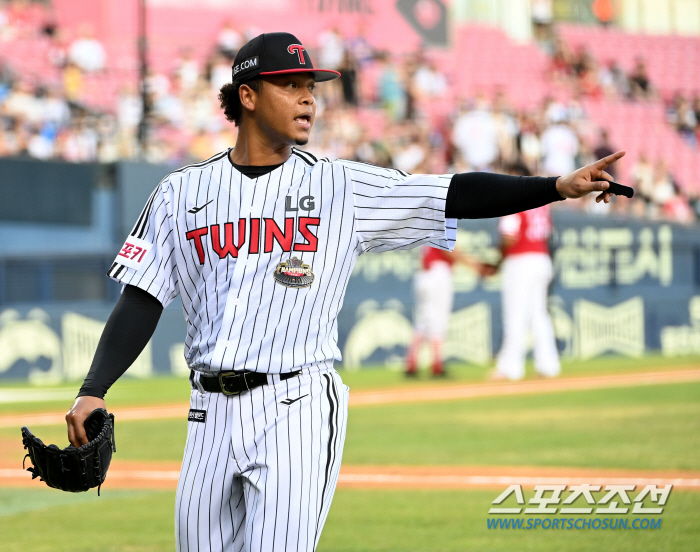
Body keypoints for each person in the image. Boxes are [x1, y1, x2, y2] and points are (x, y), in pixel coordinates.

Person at [64, 32, 625, 552]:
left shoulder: (340, 186)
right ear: (248, 96)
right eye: (292, 86)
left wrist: (555, 187)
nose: (309, 99)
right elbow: (143, 296)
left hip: (297, 404)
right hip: (207, 411)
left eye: (312, 88)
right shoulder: (179, 193)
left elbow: (453, 193)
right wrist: (94, 389)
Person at [489, 162, 560, 381]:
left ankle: (511, 367)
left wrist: (498, 260)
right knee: (539, 314)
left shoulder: (515, 197)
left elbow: (509, 235)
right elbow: (547, 232)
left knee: (515, 315)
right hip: (541, 257)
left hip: (521, 260)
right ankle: (548, 365)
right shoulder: (540, 200)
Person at [406, 246, 486, 377]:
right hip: (438, 274)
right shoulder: (442, 224)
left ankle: (411, 362)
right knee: (438, 318)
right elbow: (449, 250)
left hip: (424, 274)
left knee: (422, 320)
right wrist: (473, 265)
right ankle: (437, 364)